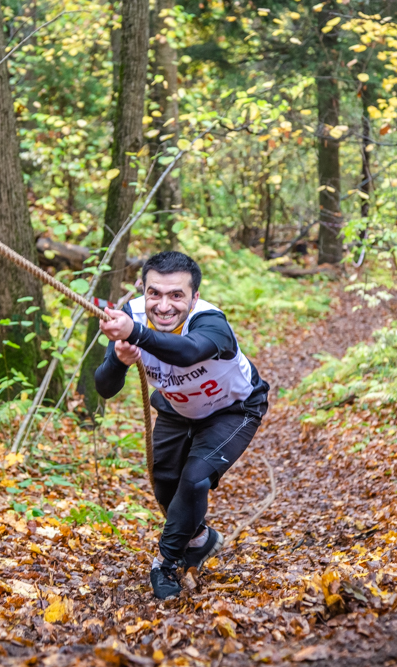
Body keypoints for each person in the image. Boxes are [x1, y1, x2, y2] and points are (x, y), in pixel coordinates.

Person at [94, 251, 269, 600]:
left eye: (177, 295)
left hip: (232, 410)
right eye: (154, 293)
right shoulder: (131, 316)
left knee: (194, 479)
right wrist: (118, 358)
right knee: (165, 484)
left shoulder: (212, 324)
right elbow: (104, 387)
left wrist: (137, 335)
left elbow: (189, 351)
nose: (163, 305)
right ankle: (201, 537)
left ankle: (166, 562)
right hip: (176, 410)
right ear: (142, 290)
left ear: (194, 297)